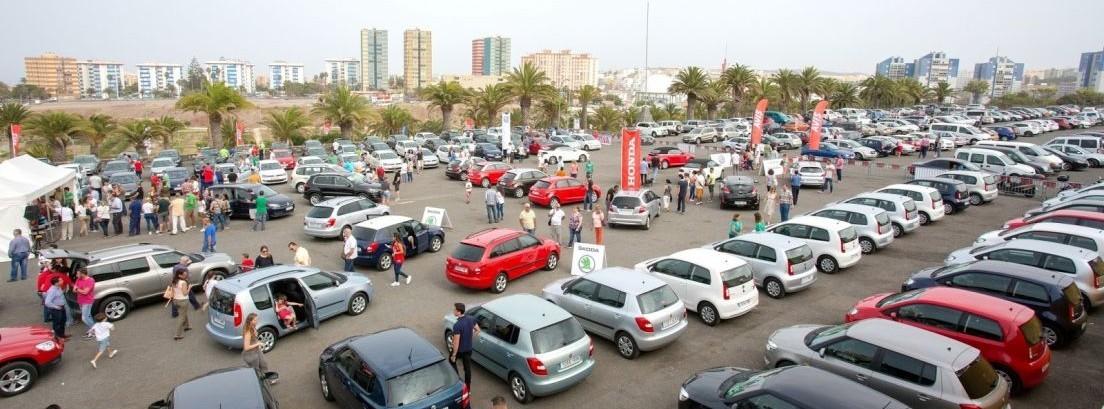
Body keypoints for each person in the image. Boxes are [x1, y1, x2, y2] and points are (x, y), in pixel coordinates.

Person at [449, 303, 480, 387]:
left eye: (455, 310)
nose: (453, 311)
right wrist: (469, 336)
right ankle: (468, 387)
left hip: (460, 350)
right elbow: (478, 330)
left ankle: (457, 382)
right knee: (467, 369)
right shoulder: (471, 319)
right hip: (468, 349)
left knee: (451, 361)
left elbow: (456, 342)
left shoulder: (457, 325)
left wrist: (454, 355)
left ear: (459, 312)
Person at [242, 313, 276, 384]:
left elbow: (254, 340)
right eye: (255, 320)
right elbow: (246, 347)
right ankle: (258, 384)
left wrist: (258, 343)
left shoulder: (253, 326)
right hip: (251, 354)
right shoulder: (247, 332)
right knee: (256, 370)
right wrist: (258, 344)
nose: (257, 321)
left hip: (257, 350)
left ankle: (266, 380)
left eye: (257, 319)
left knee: (264, 364)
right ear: (250, 321)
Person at [168, 269, 190, 340]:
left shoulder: (174, 281)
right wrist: (189, 288)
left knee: (183, 313)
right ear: (180, 275)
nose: (186, 275)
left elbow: (173, 291)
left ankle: (187, 326)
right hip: (183, 301)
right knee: (181, 317)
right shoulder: (183, 282)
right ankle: (177, 334)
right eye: (184, 274)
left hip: (175, 300)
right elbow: (185, 293)